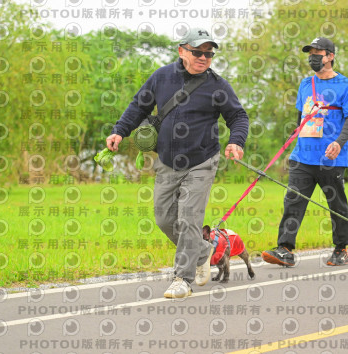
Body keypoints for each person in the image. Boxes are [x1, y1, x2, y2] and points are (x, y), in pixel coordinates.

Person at [106, 28, 249, 298]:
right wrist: (120, 131)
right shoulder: (161, 77)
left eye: (209, 54)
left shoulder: (218, 86)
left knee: (189, 218)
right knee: (164, 218)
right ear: (182, 51)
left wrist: (236, 141)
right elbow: (138, 106)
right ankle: (203, 251)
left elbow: (238, 116)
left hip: (202, 160)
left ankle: (182, 279)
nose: (204, 57)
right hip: (167, 161)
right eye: (197, 52)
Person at [263, 37, 348, 267]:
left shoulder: (346, 85)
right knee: (293, 201)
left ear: (330, 56)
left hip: (331, 156)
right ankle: (285, 249)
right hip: (303, 156)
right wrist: (296, 142)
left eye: (318, 54)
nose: (312, 58)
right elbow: (301, 117)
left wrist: (339, 143)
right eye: (310, 54)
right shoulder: (306, 84)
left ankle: (341, 248)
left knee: (336, 204)